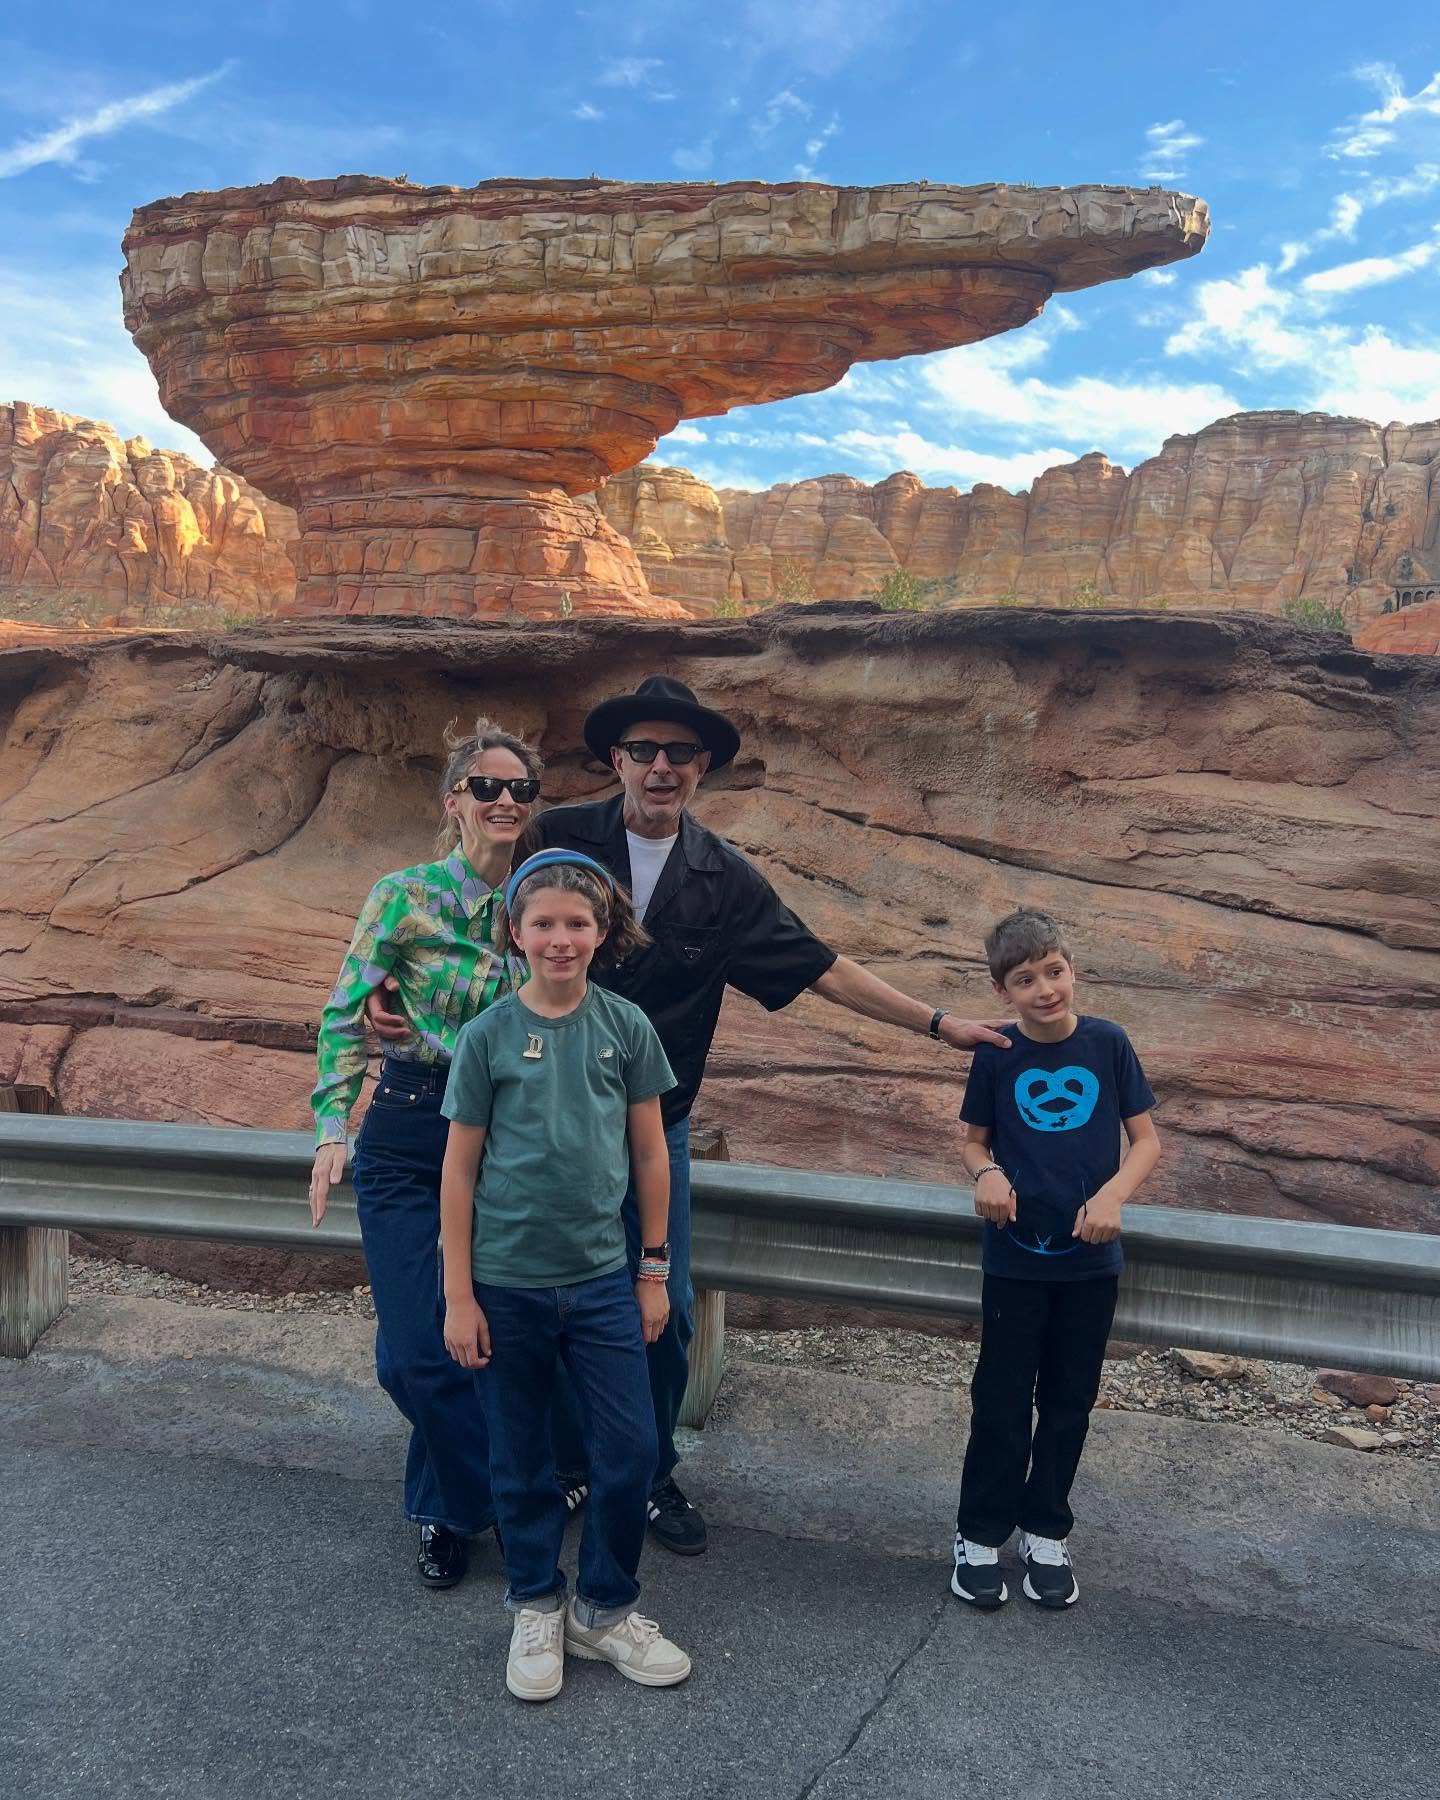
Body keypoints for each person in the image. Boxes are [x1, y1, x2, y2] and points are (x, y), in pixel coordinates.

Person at [372, 674, 1010, 1556]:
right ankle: (501, 1487)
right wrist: (385, 993)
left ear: (702, 767)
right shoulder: (556, 837)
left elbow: (820, 966)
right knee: (508, 1310)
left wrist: (937, 1025)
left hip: (645, 1131)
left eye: (679, 752)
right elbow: (463, 920)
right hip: (532, 1126)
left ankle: (648, 1468)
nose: (660, 766)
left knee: (656, 1308)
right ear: (616, 761)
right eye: (643, 750)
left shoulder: (724, 879)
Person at [439, 849, 691, 1703]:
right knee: (521, 1458)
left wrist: (653, 1271)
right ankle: (537, 1602)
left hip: (601, 1283)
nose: (560, 938)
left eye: (576, 923)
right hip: (505, 1285)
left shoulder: (625, 1029)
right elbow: (460, 1172)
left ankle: (606, 1608)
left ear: (602, 932)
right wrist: (459, 1294)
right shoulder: (486, 1038)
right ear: (515, 933)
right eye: (542, 923)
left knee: (629, 1451)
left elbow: (652, 1155)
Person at [308, 717, 543, 1589]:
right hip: (409, 1127)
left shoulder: (540, 905)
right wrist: (334, 1124)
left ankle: (445, 1512)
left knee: (483, 1335)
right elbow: (344, 1010)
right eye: (488, 786)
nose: (506, 800)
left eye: (521, 789)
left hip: (511, 1136)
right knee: (410, 1352)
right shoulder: (402, 895)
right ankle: (509, 1489)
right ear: (455, 802)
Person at [950, 907, 1161, 1611]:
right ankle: (979, 1535)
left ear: (1072, 969)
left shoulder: (1108, 1044)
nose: (1045, 989)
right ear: (1000, 990)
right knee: (1002, 1403)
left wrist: (1113, 1197)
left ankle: (1047, 1530)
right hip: (1014, 1260)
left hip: (1089, 1263)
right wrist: (986, 1174)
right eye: (1025, 979)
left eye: (1054, 971)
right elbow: (974, 1142)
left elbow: (1148, 1143)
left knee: (1069, 1404)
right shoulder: (997, 1053)